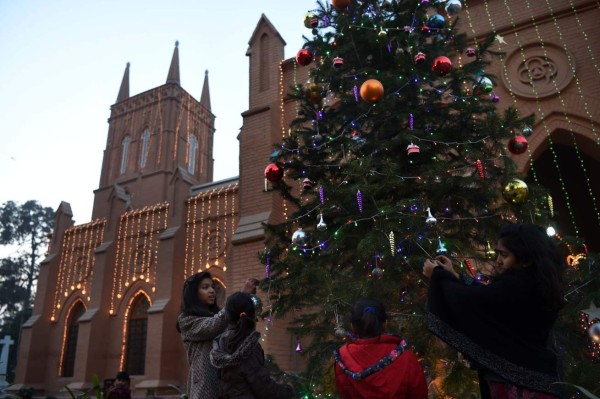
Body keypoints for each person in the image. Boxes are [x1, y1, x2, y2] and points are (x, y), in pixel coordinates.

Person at [423, 223, 565, 398]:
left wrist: (438, 275)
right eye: (497, 254)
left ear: (525, 258)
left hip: (519, 384)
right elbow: (487, 297)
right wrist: (454, 276)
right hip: (539, 380)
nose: (498, 261)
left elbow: (475, 300)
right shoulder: (538, 281)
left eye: (504, 255)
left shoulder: (518, 284)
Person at [177, 272, 258, 399]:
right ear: (193, 293)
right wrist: (242, 295)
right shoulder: (186, 320)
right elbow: (213, 325)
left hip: (227, 383)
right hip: (205, 386)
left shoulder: (220, 316)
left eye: (213, 287)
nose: (212, 291)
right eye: (205, 287)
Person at [334, 298, 428, 399]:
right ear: (385, 324)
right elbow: (419, 394)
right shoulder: (406, 357)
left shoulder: (343, 359)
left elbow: (344, 393)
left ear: (352, 326)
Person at [210, 291, 294, 399]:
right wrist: (287, 390)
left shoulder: (220, 342)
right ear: (252, 315)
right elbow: (264, 389)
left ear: (228, 315)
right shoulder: (248, 346)